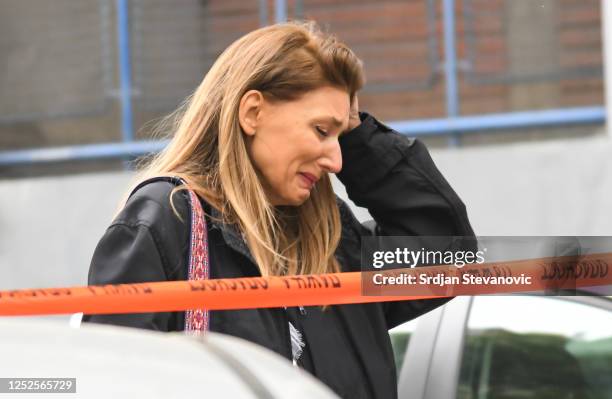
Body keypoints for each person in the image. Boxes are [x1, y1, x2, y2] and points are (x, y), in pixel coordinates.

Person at [83, 21, 476, 399]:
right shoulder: (165, 224)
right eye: (322, 131)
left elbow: (446, 258)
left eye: (342, 137)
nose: (338, 161)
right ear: (253, 112)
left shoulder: (330, 236)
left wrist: (358, 132)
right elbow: (111, 382)